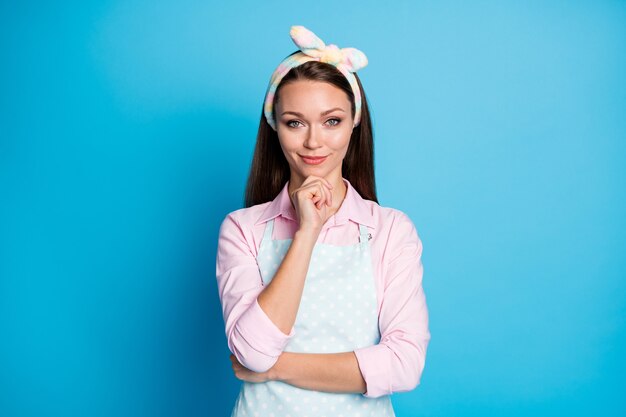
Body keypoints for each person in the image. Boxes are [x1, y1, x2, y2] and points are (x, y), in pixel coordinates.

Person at [215, 25, 431, 417]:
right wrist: (307, 231)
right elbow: (251, 351)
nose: (314, 141)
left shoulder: (390, 230)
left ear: (355, 122)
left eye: (331, 121)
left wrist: (280, 367)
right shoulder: (243, 229)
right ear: (274, 126)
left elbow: (404, 364)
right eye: (295, 122)